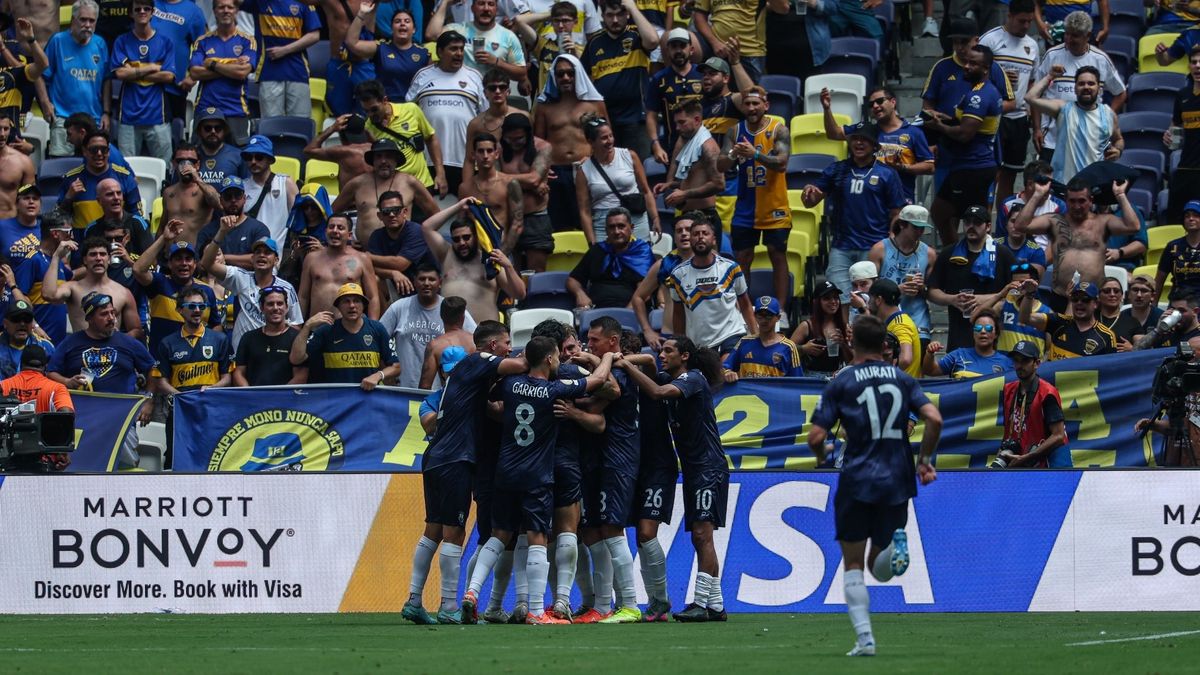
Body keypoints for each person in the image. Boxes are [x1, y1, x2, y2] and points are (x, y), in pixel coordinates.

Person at [807, 314, 941, 656]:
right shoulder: (903, 379)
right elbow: (934, 418)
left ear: (852, 344)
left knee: (855, 565)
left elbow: (816, 437)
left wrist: (822, 454)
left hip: (857, 477)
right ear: (884, 345)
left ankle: (865, 638)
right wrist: (924, 460)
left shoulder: (841, 381)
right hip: (897, 477)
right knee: (879, 568)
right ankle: (896, 543)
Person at [462, 338, 615, 625]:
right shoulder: (553, 389)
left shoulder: (510, 384)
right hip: (536, 475)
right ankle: (535, 610)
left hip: (505, 471)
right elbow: (597, 381)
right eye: (556, 356)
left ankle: (471, 592)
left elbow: (489, 395)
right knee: (537, 538)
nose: (557, 360)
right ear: (549, 359)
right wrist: (607, 358)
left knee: (499, 535)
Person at [401, 321, 527, 626]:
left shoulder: (461, 379)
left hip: (436, 456)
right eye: (506, 343)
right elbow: (521, 365)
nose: (509, 348)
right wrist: (536, 354)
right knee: (454, 532)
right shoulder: (478, 359)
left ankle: (414, 600)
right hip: (456, 458)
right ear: (492, 345)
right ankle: (448, 605)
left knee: (433, 530)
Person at [616, 335, 730, 622]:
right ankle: (716, 605)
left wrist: (624, 365)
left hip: (708, 467)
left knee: (703, 534)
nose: (662, 355)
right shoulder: (674, 377)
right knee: (701, 537)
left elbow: (657, 391)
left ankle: (700, 603)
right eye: (662, 350)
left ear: (685, 356)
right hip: (693, 469)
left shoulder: (693, 379)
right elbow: (650, 366)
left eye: (669, 351)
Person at [803, 122, 906, 304]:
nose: (859, 143)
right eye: (855, 139)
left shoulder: (887, 174)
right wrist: (808, 193)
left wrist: (891, 238)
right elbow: (810, 202)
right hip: (841, 246)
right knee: (838, 299)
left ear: (874, 145)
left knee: (870, 300)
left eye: (864, 139)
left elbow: (897, 212)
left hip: (873, 246)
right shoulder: (837, 169)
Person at [1011, 177, 1140, 307]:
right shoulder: (1054, 221)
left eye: (1081, 201)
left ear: (1090, 200)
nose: (1077, 206)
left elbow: (1133, 226)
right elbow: (1020, 225)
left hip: (1093, 298)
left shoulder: (1102, 222)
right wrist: (1037, 195)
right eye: (1072, 201)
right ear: (1065, 200)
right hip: (1060, 296)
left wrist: (1121, 195)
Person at [922, 44, 1004, 245]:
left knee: (966, 218)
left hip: (974, 167)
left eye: (973, 63)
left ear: (985, 68)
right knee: (942, 212)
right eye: (966, 62)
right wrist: (945, 118)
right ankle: (956, 253)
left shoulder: (979, 95)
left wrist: (939, 126)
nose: (966, 66)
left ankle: (969, 255)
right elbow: (966, 123)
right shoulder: (978, 90)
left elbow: (965, 134)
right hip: (967, 165)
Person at [719, 87, 791, 311]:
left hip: (774, 205)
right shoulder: (734, 131)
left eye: (755, 104)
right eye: (747, 104)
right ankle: (744, 310)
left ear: (765, 106)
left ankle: (780, 310)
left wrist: (756, 154)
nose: (751, 108)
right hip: (745, 207)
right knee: (742, 257)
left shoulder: (779, 130)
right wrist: (733, 154)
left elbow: (782, 163)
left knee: (777, 255)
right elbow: (720, 165)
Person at [47, 292, 154, 439]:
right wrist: (67, 381)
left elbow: (153, 369)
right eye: (104, 314)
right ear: (89, 318)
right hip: (83, 417)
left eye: (112, 312)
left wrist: (149, 400)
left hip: (121, 418)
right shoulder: (71, 343)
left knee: (125, 454)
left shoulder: (128, 342)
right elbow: (50, 372)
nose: (111, 318)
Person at [1031, 11, 1126, 166]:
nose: (1069, 39)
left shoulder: (1100, 59)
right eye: (1067, 34)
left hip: (1088, 141)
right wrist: (1036, 129)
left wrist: (1105, 118)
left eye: (1074, 36)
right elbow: (1036, 93)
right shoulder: (1052, 55)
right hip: (1053, 139)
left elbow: (1120, 93)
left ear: (1087, 36)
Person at [419, 198, 526, 322]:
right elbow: (426, 227)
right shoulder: (446, 254)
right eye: (456, 239)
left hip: (485, 331)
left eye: (466, 237)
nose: (461, 243)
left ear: (476, 237)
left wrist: (508, 266)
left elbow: (520, 294)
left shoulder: (491, 260)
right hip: (451, 330)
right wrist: (459, 206)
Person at [822, 86, 933, 204]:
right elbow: (833, 134)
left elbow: (930, 167)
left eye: (879, 101)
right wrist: (827, 109)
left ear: (893, 102)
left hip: (901, 201)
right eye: (871, 104)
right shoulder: (865, 131)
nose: (875, 106)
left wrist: (903, 167)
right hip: (869, 202)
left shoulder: (914, 132)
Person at [927, 205, 1017, 351]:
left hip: (995, 336)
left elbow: (1017, 291)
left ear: (988, 226)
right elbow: (932, 291)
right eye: (967, 222)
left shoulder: (1003, 254)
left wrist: (984, 299)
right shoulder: (949, 253)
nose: (971, 226)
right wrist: (952, 299)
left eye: (977, 222)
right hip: (959, 335)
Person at [535, 53, 608, 232]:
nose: (566, 78)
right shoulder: (544, 106)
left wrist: (594, 159)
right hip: (556, 172)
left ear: (578, 74)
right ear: (554, 77)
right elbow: (537, 141)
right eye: (560, 74)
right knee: (559, 226)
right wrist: (542, 168)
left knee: (588, 221)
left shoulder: (595, 103)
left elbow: (606, 136)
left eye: (570, 73)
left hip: (587, 169)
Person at [976, 0, 1039, 204]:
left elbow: (1033, 84)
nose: (1026, 26)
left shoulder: (1032, 45)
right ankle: (984, 216)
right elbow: (974, 75)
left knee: (1010, 174)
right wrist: (999, 78)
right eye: (1022, 21)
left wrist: (1034, 120)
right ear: (1009, 15)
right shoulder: (990, 39)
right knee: (991, 172)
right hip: (995, 117)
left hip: (1019, 118)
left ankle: (1003, 217)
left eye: (1029, 21)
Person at [403, 32, 480, 196]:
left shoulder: (474, 77)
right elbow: (409, 112)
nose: (459, 53)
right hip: (427, 160)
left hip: (465, 160)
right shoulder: (423, 75)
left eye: (461, 49)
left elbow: (485, 117)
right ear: (439, 52)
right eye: (453, 49)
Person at [581, 0, 658, 160]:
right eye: (610, 15)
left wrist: (632, 7)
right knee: (609, 167)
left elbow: (653, 40)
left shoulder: (637, 35)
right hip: (604, 121)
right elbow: (584, 80)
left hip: (635, 119)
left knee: (636, 167)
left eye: (620, 14)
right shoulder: (594, 43)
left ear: (627, 15)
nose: (615, 20)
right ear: (602, 16)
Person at [132, 222, 223, 355]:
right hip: (163, 359)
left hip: (197, 361)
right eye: (178, 259)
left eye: (188, 259)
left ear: (195, 264)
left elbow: (215, 325)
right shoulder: (159, 282)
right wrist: (163, 238)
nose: (184, 263)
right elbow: (138, 269)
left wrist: (213, 350)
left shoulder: (206, 290)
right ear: (169, 264)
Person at [668, 217, 754, 354]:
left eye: (705, 233)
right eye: (695, 234)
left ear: (714, 239)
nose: (700, 237)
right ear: (691, 240)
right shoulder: (677, 275)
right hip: (699, 344)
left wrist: (756, 336)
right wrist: (680, 346)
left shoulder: (731, 268)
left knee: (725, 366)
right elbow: (678, 314)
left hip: (731, 334)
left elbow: (745, 305)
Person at [202, 233, 302, 349]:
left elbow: (297, 324)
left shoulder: (287, 288)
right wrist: (222, 232)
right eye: (258, 252)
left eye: (267, 252)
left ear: (276, 260)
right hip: (242, 353)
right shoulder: (240, 277)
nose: (262, 255)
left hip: (272, 353)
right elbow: (207, 264)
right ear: (252, 258)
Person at [1025, 65, 1122, 184]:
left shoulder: (1108, 114)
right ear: (1075, 89)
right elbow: (1030, 97)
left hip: (1093, 185)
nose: (1086, 87)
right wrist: (1050, 76)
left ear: (1099, 88)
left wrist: (1118, 150)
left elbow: (1119, 139)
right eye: (1081, 84)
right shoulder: (1064, 109)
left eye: (1091, 83)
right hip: (1063, 184)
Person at [382, 268, 478, 389]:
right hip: (403, 388)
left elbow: (476, 340)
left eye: (431, 279)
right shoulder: (398, 308)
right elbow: (378, 339)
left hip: (442, 391)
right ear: (414, 281)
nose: (426, 283)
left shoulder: (450, 308)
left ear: (440, 282)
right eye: (422, 279)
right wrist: (385, 373)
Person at [289, 282, 398, 386]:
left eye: (356, 301)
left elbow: (396, 366)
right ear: (338, 307)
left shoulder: (377, 329)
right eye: (346, 301)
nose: (352, 305)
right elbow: (296, 359)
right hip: (336, 396)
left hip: (367, 395)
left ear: (363, 305)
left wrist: (378, 375)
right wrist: (307, 326)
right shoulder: (325, 331)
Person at [333, 138, 440, 244]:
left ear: (396, 159)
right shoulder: (357, 183)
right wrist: (347, 240)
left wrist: (420, 240)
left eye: (388, 156)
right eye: (378, 157)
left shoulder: (410, 182)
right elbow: (332, 212)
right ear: (373, 161)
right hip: (365, 251)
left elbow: (435, 214)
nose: (383, 161)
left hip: (403, 250)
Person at [576, 113, 659, 243]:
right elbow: (584, 211)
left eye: (611, 136)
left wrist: (655, 218)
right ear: (591, 142)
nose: (609, 141)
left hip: (634, 217)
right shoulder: (584, 170)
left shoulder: (629, 156)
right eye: (604, 138)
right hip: (603, 222)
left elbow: (646, 191)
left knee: (640, 254)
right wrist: (592, 242)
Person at [110, 0, 174, 164]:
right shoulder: (122, 41)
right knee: (127, 168)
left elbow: (168, 76)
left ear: (152, 12)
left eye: (146, 8)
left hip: (158, 116)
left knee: (164, 168)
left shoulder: (165, 42)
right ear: (131, 13)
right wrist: (152, 67)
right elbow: (120, 73)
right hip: (128, 117)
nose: (142, 12)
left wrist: (133, 70)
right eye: (137, 9)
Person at [44, 1, 109, 159]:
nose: (87, 25)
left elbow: (107, 80)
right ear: (73, 19)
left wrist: (106, 112)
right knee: (60, 168)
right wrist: (45, 102)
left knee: (93, 166)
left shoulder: (100, 44)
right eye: (83, 19)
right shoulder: (58, 41)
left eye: (92, 21)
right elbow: (40, 74)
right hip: (63, 119)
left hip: (93, 119)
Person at [656, 100, 725, 245]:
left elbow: (719, 184)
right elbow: (691, 178)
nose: (677, 128)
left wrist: (685, 194)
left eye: (682, 122)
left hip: (705, 217)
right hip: (686, 216)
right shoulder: (687, 140)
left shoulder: (709, 147)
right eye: (676, 123)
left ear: (697, 120)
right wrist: (670, 184)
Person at [187, 0, 257, 144]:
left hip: (236, 110)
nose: (226, 11)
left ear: (236, 11)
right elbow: (195, 73)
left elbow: (242, 73)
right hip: (205, 110)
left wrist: (212, 64)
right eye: (221, 7)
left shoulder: (248, 41)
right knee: (200, 155)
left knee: (237, 156)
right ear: (214, 11)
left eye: (230, 7)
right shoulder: (202, 41)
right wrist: (232, 65)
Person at [43, 236, 142, 336]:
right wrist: (56, 257)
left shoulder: (123, 292)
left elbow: (136, 329)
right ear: (85, 260)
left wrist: (118, 340)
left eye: (102, 254)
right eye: (93, 254)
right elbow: (48, 295)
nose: (98, 258)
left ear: (109, 259)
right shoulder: (73, 288)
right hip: (81, 345)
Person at [241, 0, 319, 118]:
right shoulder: (260, 2)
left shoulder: (304, 2)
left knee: (300, 123)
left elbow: (314, 35)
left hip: (298, 71)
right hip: (269, 72)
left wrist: (285, 50)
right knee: (270, 123)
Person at [998, 339, 1069, 468]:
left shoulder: (1047, 393)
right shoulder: (1008, 390)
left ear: (1037, 363)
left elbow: (1059, 435)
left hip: (1046, 464)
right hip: (1020, 459)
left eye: (1025, 361)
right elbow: (1009, 430)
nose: (1020, 365)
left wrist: (1029, 457)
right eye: (1016, 361)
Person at [498, 114, 553, 272]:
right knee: (507, 271)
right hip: (507, 217)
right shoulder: (498, 148)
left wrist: (504, 178)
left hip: (535, 216)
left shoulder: (543, 147)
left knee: (536, 273)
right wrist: (529, 183)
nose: (514, 143)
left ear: (528, 134)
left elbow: (534, 179)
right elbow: (493, 181)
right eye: (510, 139)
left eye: (519, 138)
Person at [566, 208, 651, 309]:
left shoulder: (641, 253)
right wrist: (580, 294)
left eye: (621, 226)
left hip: (630, 311)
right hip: (595, 311)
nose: (616, 231)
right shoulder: (597, 250)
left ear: (631, 228)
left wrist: (626, 314)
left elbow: (645, 293)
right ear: (606, 231)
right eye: (612, 227)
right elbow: (572, 280)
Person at [299, 213, 381, 319]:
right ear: (325, 231)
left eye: (340, 228)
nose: (335, 230)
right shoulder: (311, 258)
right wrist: (298, 325)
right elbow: (303, 297)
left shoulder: (362, 259)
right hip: (319, 325)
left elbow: (373, 297)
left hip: (352, 325)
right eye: (331, 227)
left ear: (349, 235)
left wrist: (372, 325)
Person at [58, 131, 142, 231]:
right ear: (84, 151)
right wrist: (68, 198)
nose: (99, 153)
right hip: (82, 239)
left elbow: (137, 216)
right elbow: (58, 217)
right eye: (94, 150)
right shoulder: (71, 179)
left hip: (117, 237)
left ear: (109, 151)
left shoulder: (124, 177)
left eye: (103, 149)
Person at [427, 0, 527, 84]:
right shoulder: (459, 30)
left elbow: (522, 74)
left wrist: (496, 62)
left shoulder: (508, 36)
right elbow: (431, 35)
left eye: (491, 4)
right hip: (462, 92)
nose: (486, 8)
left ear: (496, 9)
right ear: (472, 8)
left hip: (492, 94)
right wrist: (445, 2)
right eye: (481, 3)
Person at [347, 2, 430, 102]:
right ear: (391, 29)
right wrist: (361, 14)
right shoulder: (381, 48)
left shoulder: (424, 54)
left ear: (414, 29)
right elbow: (352, 43)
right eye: (397, 21)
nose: (402, 24)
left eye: (407, 21)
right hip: (385, 106)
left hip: (413, 107)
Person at [1018, 277, 1116, 360]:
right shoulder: (1060, 322)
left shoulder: (1106, 336)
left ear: (1096, 304)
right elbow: (1025, 319)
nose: (1079, 303)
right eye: (1075, 299)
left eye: (1085, 300)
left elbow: (1111, 369)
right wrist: (1029, 294)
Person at [632, 215, 692, 349]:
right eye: (679, 231)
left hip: (703, 336)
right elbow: (638, 297)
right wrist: (647, 330)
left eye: (688, 229)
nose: (684, 234)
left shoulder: (713, 264)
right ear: (674, 237)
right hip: (670, 337)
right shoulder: (664, 265)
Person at [14, 212, 75, 344]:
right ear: (55, 233)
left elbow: (72, 276)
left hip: (59, 339)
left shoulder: (55, 260)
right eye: (68, 232)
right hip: (39, 338)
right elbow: (19, 297)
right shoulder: (32, 260)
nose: (72, 236)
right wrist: (35, 326)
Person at [459, 133, 524, 252]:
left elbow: (517, 223)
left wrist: (503, 253)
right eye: (481, 151)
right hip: (475, 252)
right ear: (473, 155)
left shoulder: (509, 183)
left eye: (489, 151)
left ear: (496, 154)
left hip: (501, 248)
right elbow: (461, 224)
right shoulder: (465, 188)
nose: (485, 156)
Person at [645, 28, 701, 166]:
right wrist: (656, 145)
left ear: (691, 49)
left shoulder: (703, 74)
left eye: (682, 46)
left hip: (703, 145)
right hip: (673, 148)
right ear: (668, 50)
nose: (678, 51)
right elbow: (651, 115)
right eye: (674, 47)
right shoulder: (659, 79)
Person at [365, 190, 439, 294]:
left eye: (396, 210)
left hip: (426, 289)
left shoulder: (416, 231)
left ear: (405, 212)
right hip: (397, 288)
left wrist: (366, 257)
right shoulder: (376, 236)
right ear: (380, 216)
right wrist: (392, 273)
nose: (391, 215)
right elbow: (369, 267)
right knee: (374, 279)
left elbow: (400, 264)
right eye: (386, 211)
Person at [232, 286, 307, 386]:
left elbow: (301, 375)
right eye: (270, 304)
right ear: (262, 308)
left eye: (280, 303)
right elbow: (239, 373)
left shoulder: (297, 338)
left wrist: (278, 395)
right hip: (253, 395)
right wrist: (250, 393)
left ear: (287, 307)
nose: (275, 308)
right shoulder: (248, 338)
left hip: (285, 395)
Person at [194, 176, 271, 271]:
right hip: (215, 279)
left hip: (248, 279)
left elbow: (262, 260)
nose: (233, 200)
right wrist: (222, 231)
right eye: (228, 196)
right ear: (220, 200)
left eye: (237, 195)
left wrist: (224, 257)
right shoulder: (207, 231)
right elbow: (200, 264)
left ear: (244, 198)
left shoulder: (258, 228)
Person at [151, 0, 209, 122]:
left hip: (174, 88)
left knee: (173, 130)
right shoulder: (149, 3)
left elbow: (206, 48)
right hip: (144, 84)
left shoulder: (193, 11)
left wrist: (192, 77)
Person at [721, 296, 802, 380]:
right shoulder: (744, 342)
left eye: (769, 316)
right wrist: (728, 373)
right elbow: (725, 367)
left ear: (778, 317)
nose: (764, 320)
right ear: (754, 316)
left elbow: (798, 382)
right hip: (748, 389)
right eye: (760, 316)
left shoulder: (789, 347)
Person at [240, 135, 298, 245]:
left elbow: (297, 219)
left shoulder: (285, 183)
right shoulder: (241, 187)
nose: (253, 161)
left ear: (270, 159)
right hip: (249, 251)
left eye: (259, 157)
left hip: (277, 251)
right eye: (249, 157)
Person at [924, 308, 1013, 378]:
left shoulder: (1006, 363)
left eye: (988, 328)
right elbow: (931, 371)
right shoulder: (958, 355)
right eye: (978, 328)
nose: (983, 331)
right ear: (973, 333)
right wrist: (930, 353)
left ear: (996, 334)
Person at [160, 143, 222, 244]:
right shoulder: (168, 192)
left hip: (194, 251)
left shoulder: (204, 191)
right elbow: (162, 226)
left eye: (191, 161)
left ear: (197, 165)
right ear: (174, 163)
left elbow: (218, 204)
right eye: (180, 161)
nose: (185, 165)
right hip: (171, 252)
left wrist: (197, 178)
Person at [763, 0, 832, 82]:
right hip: (774, 46)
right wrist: (769, 6)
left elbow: (833, 7)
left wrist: (813, 3)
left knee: (810, 87)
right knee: (778, 87)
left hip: (810, 50)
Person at [791, 280, 850, 374]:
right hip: (811, 377)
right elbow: (785, 350)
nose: (833, 302)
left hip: (835, 376)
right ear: (816, 302)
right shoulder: (806, 326)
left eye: (836, 298)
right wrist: (804, 348)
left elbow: (851, 360)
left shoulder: (843, 325)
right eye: (827, 298)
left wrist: (843, 344)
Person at [418, 296, 477, 389]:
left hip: (449, 396)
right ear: (463, 317)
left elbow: (425, 386)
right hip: (475, 396)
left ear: (441, 315)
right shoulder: (476, 341)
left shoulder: (435, 346)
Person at [302, 116, 373, 194]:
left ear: (342, 135)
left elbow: (309, 150)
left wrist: (332, 128)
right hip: (373, 198)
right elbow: (379, 144)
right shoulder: (374, 151)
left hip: (349, 200)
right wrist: (367, 131)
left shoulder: (343, 152)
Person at [80, 177, 152, 253]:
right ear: (99, 201)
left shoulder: (137, 223)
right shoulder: (92, 229)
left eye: (119, 193)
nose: (116, 197)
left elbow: (152, 258)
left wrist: (127, 258)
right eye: (110, 194)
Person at [1, 344, 74, 416]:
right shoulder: (57, 389)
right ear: (45, 366)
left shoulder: (2, 386)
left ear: (21, 364)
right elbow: (67, 416)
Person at [992, 262, 1047, 355]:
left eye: (1023, 282)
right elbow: (975, 317)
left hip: (1030, 363)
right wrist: (1000, 294)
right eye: (1015, 282)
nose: (1019, 287)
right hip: (1004, 363)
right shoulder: (1002, 306)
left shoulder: (1046, 313)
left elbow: (1048, 350)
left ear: (1035, 283)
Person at [1157, 200, 1200, 304]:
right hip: (1178, 301)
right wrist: (1153, 306)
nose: (1191, 219)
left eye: (1196, 215)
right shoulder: (1172, 246)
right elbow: (1159, 280)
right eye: (1187, 216)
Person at [192, 109, 248, 189]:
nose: (213, 131)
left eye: (218, 128)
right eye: (208, 128)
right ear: (199, 131)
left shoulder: (238, 156)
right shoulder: (190, 155)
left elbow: (247, 188)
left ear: (224, 131)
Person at [0, 297, 53, 378]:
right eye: (16, 319)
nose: (22, 324)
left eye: (27, 319)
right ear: (5, 323)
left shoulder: (45, 347)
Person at [1112, 274, 1163, 346]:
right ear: (1129, 294)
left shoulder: (1161, 318)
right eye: (1135, 290)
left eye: (1144, 291)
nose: (1139, 295)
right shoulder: (1120, 317)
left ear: (1152, 296)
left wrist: (1132, 349)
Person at [0, 183, 43, 266]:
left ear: (40, 206)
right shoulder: (2, 227)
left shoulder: (47, 229)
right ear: (16, 205)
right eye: (26, 198)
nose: (31, 202)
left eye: (35, 198)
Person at [0, 115, 34, 219]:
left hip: (10, 221)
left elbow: (30, 200)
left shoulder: (23, 162)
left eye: (6, 129)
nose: (2, 134)